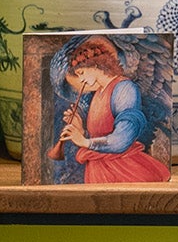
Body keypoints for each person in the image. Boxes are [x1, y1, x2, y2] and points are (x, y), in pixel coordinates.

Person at [51, 36, 169, 182]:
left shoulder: (124, 88)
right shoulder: (98, 93)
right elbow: (103, 133)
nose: (81, 80)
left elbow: (123, 138)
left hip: (120, 171)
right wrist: (81, 130)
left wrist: (85, 142)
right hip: (99, 170)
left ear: (94, 65)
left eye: (81, 73)